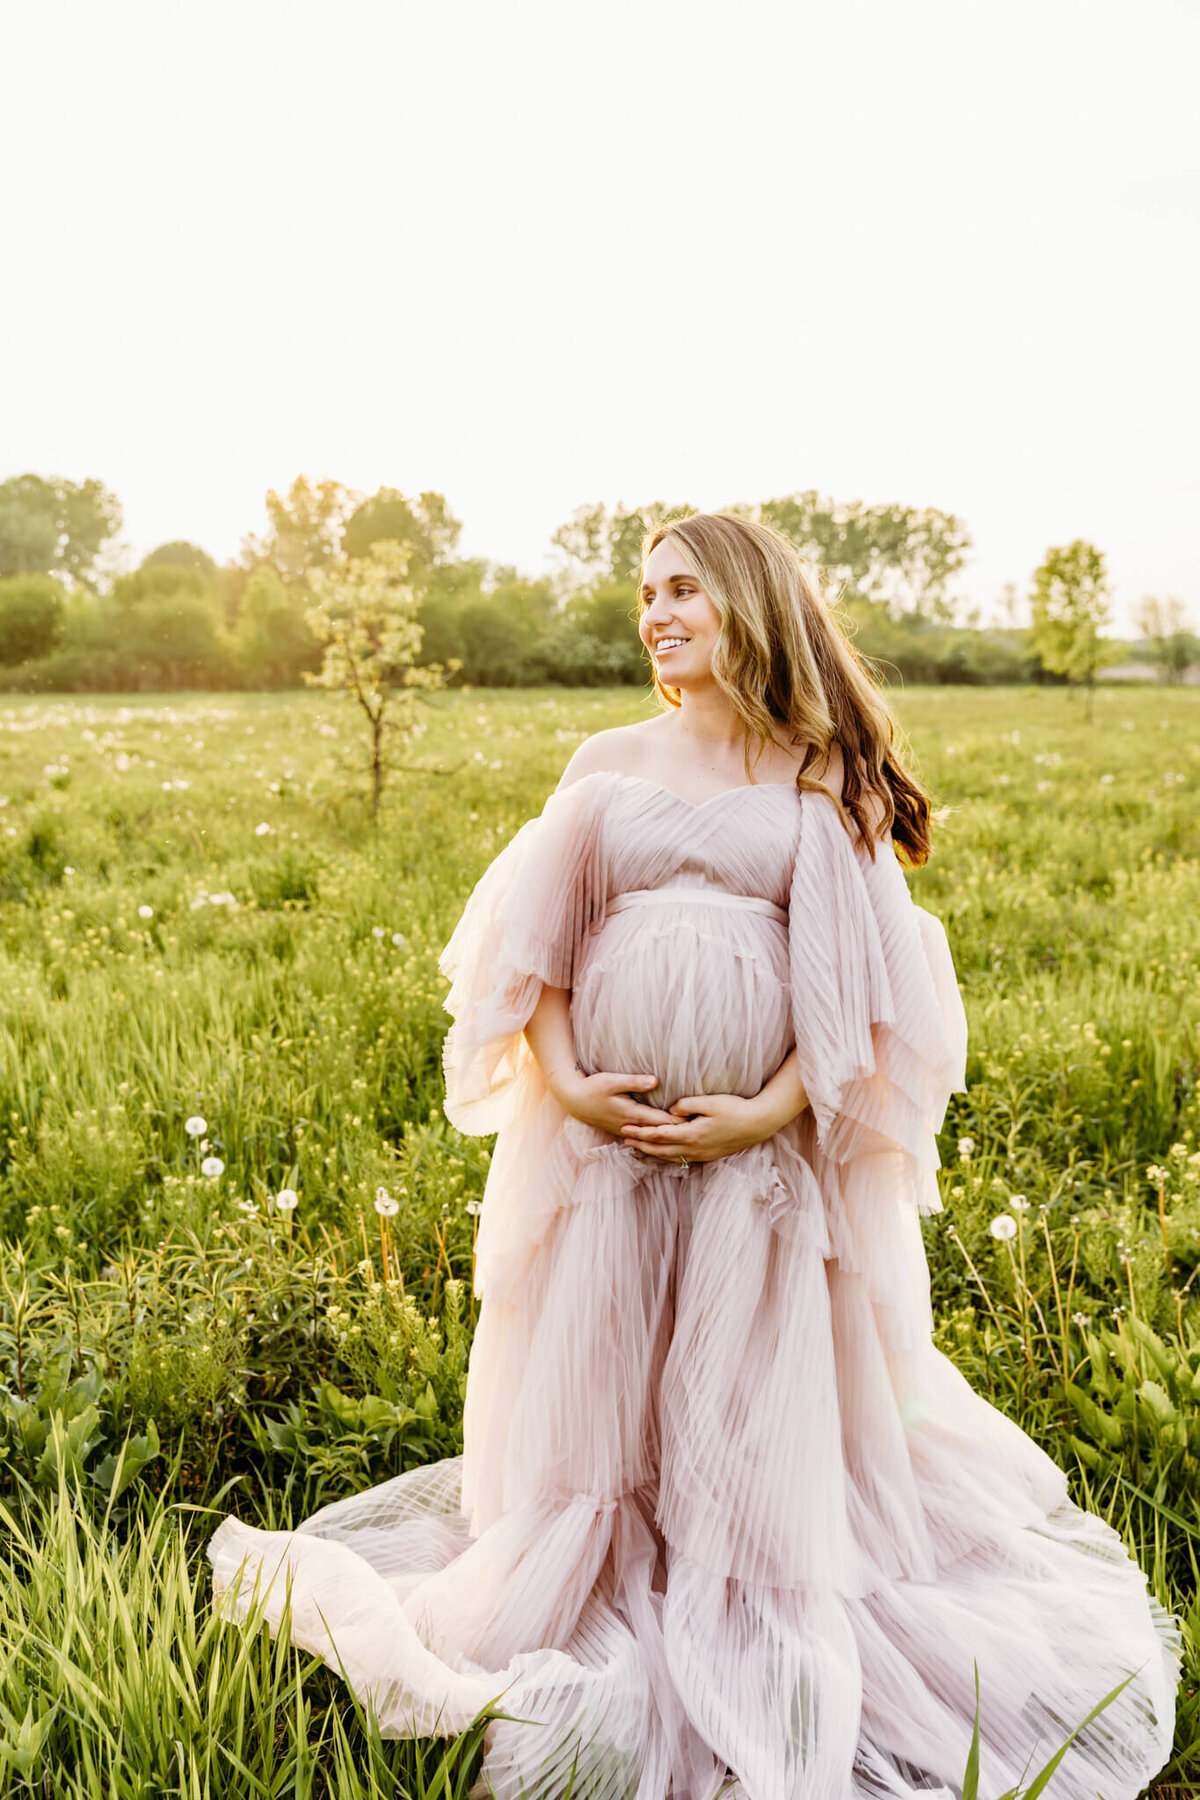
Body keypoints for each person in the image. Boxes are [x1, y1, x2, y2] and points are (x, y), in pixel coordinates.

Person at [208, 512, 1179, 1799]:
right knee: (611, 1378)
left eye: (683, 590)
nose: (656, 612)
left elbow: (862, 997)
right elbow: (534, 954)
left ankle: (740, 1582)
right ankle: (607, 1564)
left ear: (747, 604)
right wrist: (568, 1081)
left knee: (733, 1383)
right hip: (611, 1155)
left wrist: (766, 1112)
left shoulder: (814, 776)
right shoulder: (607, 758)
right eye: (646, 592)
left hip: (749, 1169)